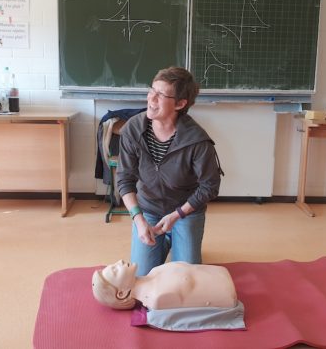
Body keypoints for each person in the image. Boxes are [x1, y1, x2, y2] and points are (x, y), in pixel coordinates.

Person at [117, 67, 223, 276]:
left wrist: (177, 215)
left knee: (185, 279)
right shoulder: (132, 129)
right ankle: (166, 241)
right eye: (151, 90)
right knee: (142, 278)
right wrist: (139, 220)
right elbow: (124, 179)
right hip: (148, 209)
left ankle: (176, 237)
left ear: (180, 103)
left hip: (185, 212)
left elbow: (210, 186)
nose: (151, 98)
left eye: (161, 95)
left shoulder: (198, 140)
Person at [91, 259, 237, 310]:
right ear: (121, 293)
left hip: (220, 274)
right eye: (116, 270)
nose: (120, 261)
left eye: (114, 265)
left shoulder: (154, 272)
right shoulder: (157, 298)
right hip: (226, 291)